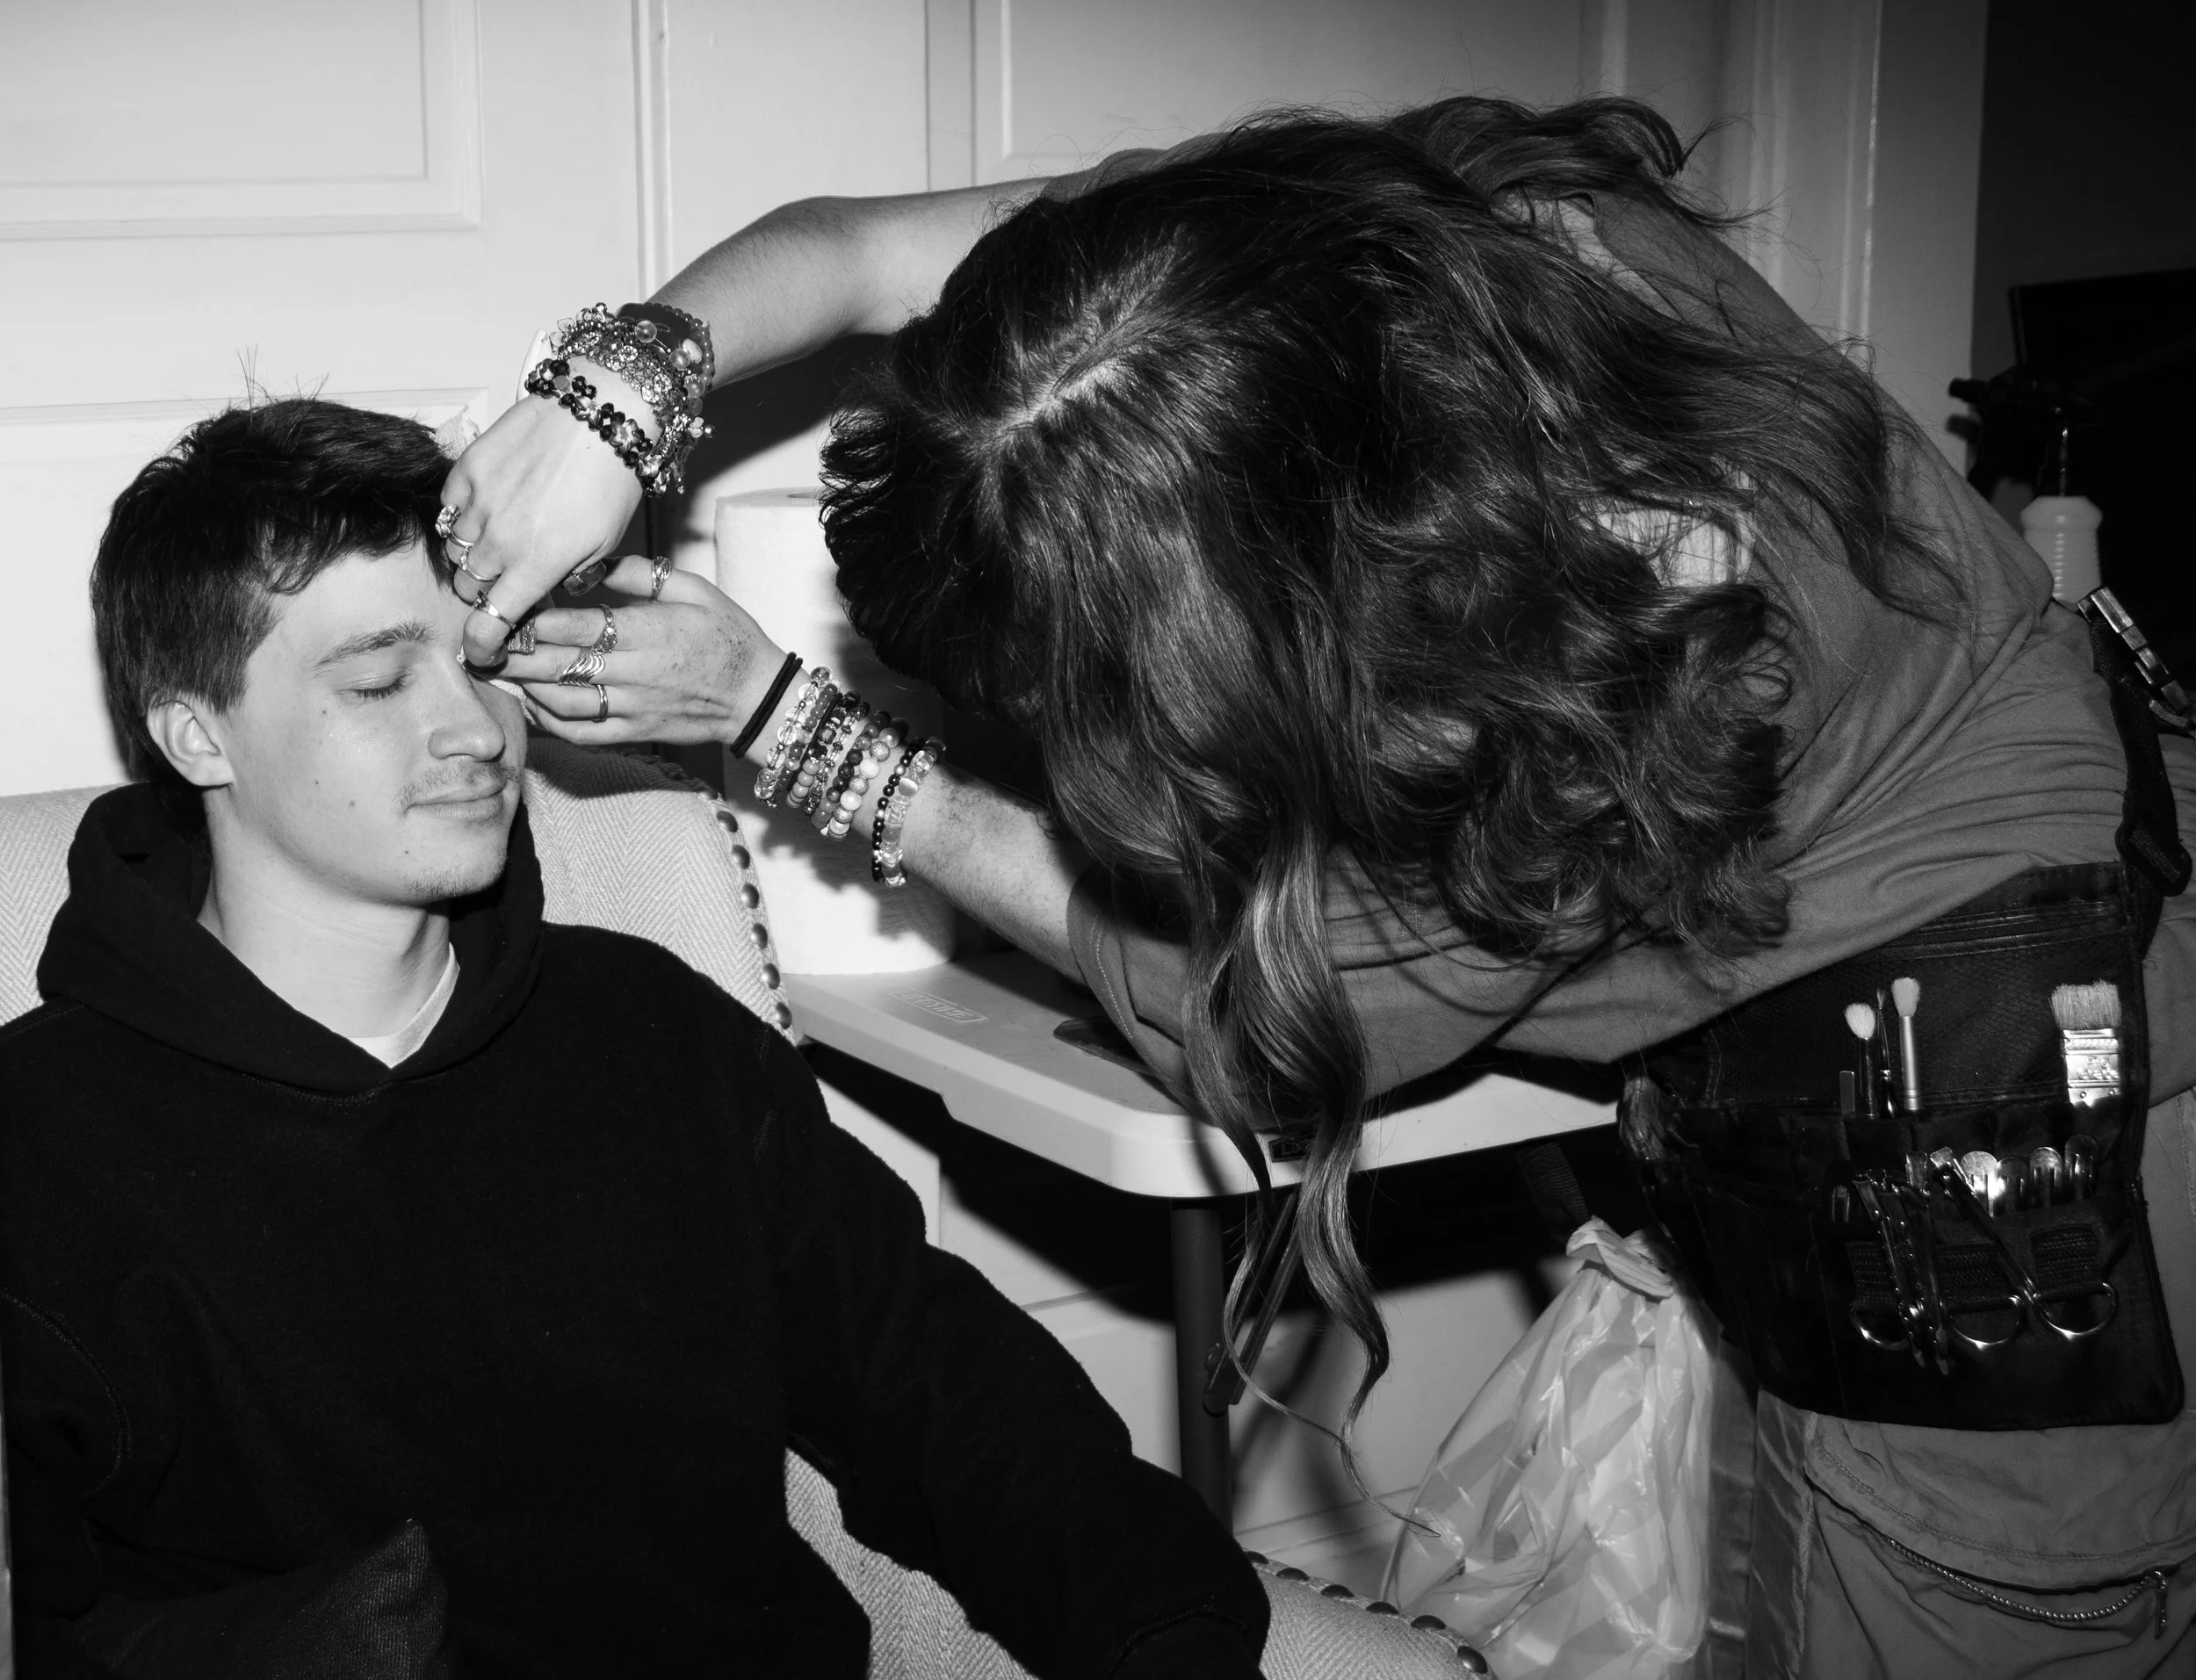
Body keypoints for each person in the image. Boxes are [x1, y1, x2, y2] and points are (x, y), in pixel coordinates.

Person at [443, 96, 2196, 1673]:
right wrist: (617, 385)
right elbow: (857, 251)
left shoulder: (1538, 750)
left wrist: (784, 724)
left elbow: (1235, 1024)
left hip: (1972, 1134)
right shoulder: (1367, 264)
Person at [0, 398, 1270, 1679]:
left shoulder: (652, 1035)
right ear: (196, 733)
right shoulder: (42, 1153)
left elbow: (949, 1404)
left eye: (486, 660)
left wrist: (1170, 1638)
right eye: (380, 678)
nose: (474, 728)